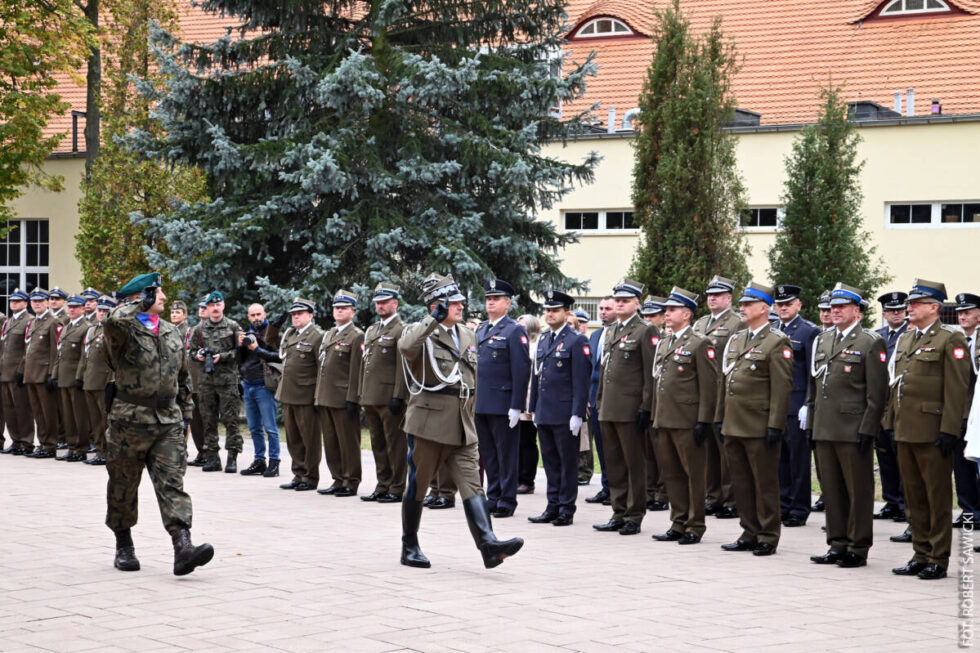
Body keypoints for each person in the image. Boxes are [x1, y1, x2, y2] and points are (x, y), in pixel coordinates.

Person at [398, 273, 524, 569]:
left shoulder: (467, 334)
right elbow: (406, 348)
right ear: (436, 306)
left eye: (460, 301)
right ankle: (410, 545)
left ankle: (488, 544)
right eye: (453, 302)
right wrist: (432, 321)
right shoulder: (421, 331)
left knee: (472, 484)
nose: (461, 306)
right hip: (429, 421)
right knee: (418, 484)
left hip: (462, 421)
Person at [103, 272, 213, 575]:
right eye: (158, 293)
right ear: (143, 297)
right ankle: (123, 544)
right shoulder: (123, 330)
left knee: (172, 484)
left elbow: (183, 377)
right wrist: (138, 303)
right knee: (123, 485)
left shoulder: (170, 331)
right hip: (129, 420)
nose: (164, 298)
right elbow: (111, 321)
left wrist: (186, 413)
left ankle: (183, 547)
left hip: (168, 421)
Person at [887, 279, 970, 580]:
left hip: (933, 429)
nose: (909, 308)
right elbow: (896, 385)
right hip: (906, 428)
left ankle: (938, 557)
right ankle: (920, 554)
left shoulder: (951, 339)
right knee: (914, 496)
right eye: (910, 303)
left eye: (916, 303)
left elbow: (958, 388)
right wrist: (889, 423)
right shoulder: (907, 339)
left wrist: (950, 429)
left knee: (936, 497)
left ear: (934, 307)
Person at [806, 283, 887, 568]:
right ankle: (837, 543)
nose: (835, 311)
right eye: (832, 307)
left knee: (858, 490)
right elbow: (814, 386)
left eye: (841, 307)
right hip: (825, 427)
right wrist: (811, 424)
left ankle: (858, 546)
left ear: (857, 311)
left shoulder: (869, 341)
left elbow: (877, 394)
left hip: (853, 428)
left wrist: (868, 428)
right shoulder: (824, 338)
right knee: (832, 489)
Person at [718, 281, 792, 556]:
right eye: (743, 304)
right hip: (734, 422)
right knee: (741, 481)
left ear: (764, 308)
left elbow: (781, 387)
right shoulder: (738, 338)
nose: (743, 308)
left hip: (759, 424)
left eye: (748, 304)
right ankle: (749, 530)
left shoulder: (776, 341)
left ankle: (768, 535)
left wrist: (775, 424)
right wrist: (720, 418)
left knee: (764, 482)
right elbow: (726, 380)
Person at [649, 287, 718, 545]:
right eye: (666, 309)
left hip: (688, 420)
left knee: (694, 475)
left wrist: (703, 420)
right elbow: (659, 382)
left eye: (672, 309)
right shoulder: (665, 341)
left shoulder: (700, 343)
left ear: (686, 314)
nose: (666, 313)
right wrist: (656, 416)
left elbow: (709, 386)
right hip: (665, 419)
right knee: (672, 474)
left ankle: (695, 525)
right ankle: (677, 522)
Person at [593, 278, 657, 536]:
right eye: (617, 300)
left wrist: (646, 406)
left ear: (636, 303)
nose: (619, 304)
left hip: (631, 409)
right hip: (608, 408)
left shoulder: (645, 330)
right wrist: (598, 402)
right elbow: (604, 369)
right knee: (614, 464)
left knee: (634, 464)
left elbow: (650, 373)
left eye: (625, 301)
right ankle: (618, 512)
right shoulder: (611, 331)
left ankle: (634, 515)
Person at [527, 291, 590, 526]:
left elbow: (581, 380)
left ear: (566, 313)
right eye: (547, 310)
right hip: (545, 411)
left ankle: (566, 508)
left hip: (565, 413)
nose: (550, 314)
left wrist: (577, 413)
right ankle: (552, 506)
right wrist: (533, 408)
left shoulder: (576, 340)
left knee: (567, 463)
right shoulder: (544, 339)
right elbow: (537, 377)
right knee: (551, 462)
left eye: (555, 310)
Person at [475, 279, 531, 518]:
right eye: (488, 298)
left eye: (496, 298)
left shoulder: (514, 329)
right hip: (482, 403)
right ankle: (494, 495)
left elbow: (521, 370)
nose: (491, 302)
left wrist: (517, 406)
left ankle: (507, 500)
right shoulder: (480, 329)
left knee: (506, 454)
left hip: (503, 403)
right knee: (488, 454)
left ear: (507, 304)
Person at [693, 275, 743, 520]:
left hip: (724, 392)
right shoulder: (700, 324)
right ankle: (713, 497)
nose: (712, 298)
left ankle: (731, 499)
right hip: (703, 394)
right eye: (710, 295)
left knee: (726, 449)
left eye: (718, 295)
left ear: (728, 298)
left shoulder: (737, 323)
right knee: (708, 448)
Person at [772, 284, 819, 527]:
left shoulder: (808, 332)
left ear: (798, 305)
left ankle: (799, 508)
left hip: (797, 404)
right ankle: (782, 504)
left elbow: (813, 372)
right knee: (780, 460)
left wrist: (808, 404)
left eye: (788, 304)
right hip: (776, 406)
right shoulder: (772, 330)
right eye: (779, 304)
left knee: (798, 461)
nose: (783, 308)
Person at [358, 283, 409, 502]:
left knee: (395, 445)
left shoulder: (401, 329)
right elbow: (365, 364)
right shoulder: (372, 330)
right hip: (371, 396)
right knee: (378, 444)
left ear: (395, 304)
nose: (380, 306)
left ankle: (397, 488)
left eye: (384, 302)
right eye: (377, 302)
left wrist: (399, 395)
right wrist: (361, 393)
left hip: (390, 398)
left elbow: (402, 365)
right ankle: (382, 484)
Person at [315, 289, 364, 497]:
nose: (339, 311)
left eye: (344, 308)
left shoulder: (356, 335)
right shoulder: (330, 334)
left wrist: (353, 398)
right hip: (326, 396)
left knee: (348, 442)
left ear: (352, 312)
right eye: (336, 308)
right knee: (332, 442)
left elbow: (356, 370)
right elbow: (323, 367)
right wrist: (318, 395)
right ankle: (337, 479)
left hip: (343, 398)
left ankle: (350, 481)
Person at [190, 291, 244, 473]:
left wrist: (222, 356)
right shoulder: (199, 329)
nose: (214, 308)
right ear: (207, 308)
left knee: (231, 420)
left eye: (217, 304)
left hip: (228, 381)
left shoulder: (233, 326)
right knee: (208, 420)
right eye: (211, 305)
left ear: (223, 306)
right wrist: (197, 355)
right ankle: (213, 458)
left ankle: (232, 458)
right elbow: (190, 351)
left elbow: (241, 353)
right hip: (206, 381)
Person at [275, 299, 324, 492]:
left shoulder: (317, 336)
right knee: (293, 438)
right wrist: (273, 326)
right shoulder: (291, 334)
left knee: (309, 439)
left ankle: (310, 477)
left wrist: (318, 397)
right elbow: (272, 345)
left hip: (306, 394)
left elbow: (321, 369)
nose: (295, 316)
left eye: (300, 313)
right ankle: (298, 473)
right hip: (289, 394)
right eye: (293, 314)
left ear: (310, 315)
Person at [876, 291, 911, 539]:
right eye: (891, 311)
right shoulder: (879, 336)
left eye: (900, 310)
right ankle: (890, 500)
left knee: (902, 454)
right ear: (884, 314)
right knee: (884, 453)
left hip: (900, 401)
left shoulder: (909, 335)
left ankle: (903, 503)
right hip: (881, 402)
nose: (896, 314)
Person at [237, 303, 283, 478]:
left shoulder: (272, 333)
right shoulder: (246, 334)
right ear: (248, 317)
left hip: (264, 384)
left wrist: (257, 349)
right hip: (248, 384)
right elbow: (239, 361)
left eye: (259, 314)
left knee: (270, 427)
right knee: (254, 427)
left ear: (265, 314)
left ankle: (274, 462)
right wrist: (240, 346)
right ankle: (259, 461)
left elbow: (278, 356)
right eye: (252, 315)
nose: (256, 318)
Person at [584, 296, 616, 502]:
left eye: (607, 308)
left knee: (615, 446)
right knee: (601, 447)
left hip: (613, 399)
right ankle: (606, 486)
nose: (603, 312)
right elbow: (589, 368)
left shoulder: (621, 334)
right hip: (595, 398)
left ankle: (617, 489)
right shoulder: (595, 336)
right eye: (601, 308)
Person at [77, 295, 116, 465]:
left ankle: (107, 452)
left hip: (105, 382)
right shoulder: (92, 330)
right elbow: (85, 356)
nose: (101, 313)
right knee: (94, 420)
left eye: (105, 311)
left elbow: (115, 360)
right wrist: (80, 377)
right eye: (99, 310)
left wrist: (112, 381)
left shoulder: (114, 332)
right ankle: (100, 450)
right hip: (90, 380)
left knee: (105, 419)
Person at [953, 292, 980, 529]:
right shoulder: (957, 339)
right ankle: (968, 511)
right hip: (960, 413)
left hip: (977, 414)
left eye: (968, 312)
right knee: (961, 468)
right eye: (960, 313)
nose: (963, 316)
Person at [22, 289, 60, 458]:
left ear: (46, 303)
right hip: (31, 373)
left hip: (44, 373)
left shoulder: (53, 321)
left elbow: (55, 350)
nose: (37, 303)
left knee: (48, 412)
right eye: (34, 301)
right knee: (38, 412)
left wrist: (52, 373)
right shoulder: (34, 322)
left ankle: (50, 445)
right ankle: (43, 442)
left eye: (40, 301)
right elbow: (28, 349)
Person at [53, 295, 91, 462]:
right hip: (63, 377)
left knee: (79, 416)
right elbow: (59, 354)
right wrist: (55, 375)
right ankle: (71, 446)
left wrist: (79, 377)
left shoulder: (86, 327)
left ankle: (81, 448)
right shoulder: (67, 326)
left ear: (83, 309)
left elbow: (84, 356)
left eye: (76, 307)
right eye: (70, 307)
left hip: (76, 378)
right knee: (68, 416)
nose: (72, 310)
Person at [640, 295, 669, 511]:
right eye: (646, 315)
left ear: (662, 318)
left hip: (661, 404)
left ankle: (662, 493)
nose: (648, 319)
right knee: (647, 451)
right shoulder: (651, 337)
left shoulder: (664, 339)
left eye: (653, 315)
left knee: (661, 453)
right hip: (647, 402)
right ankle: (649, 491)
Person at [0, 289, 34, 456]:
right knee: (9, 410)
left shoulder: (29, 321)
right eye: (12, 301)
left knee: (22, 409)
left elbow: (27, 350)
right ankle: (15, 441)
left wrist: (22, 370)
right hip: (5, 371)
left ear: (25, 304)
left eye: (18, 301)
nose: (13, 303)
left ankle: (26, 442)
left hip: (17, 372)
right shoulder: (8, 322)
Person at [516, 313, 541, 495]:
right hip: (515, 399)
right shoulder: (518, 344)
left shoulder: (536, 346)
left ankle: (527, 479)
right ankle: (516, 477)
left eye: (523, 326)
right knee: (514, 442)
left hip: (529, 398)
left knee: (527, 441)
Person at [185, 299, 208, 466]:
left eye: (205, 307)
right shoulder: (194, 329)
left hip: (207, 381)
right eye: (200, 307)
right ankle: (201, 452)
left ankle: (209, 453)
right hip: (192, 381)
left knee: (207, 419)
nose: (202, 310)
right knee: (195, 420)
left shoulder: (218, 329)